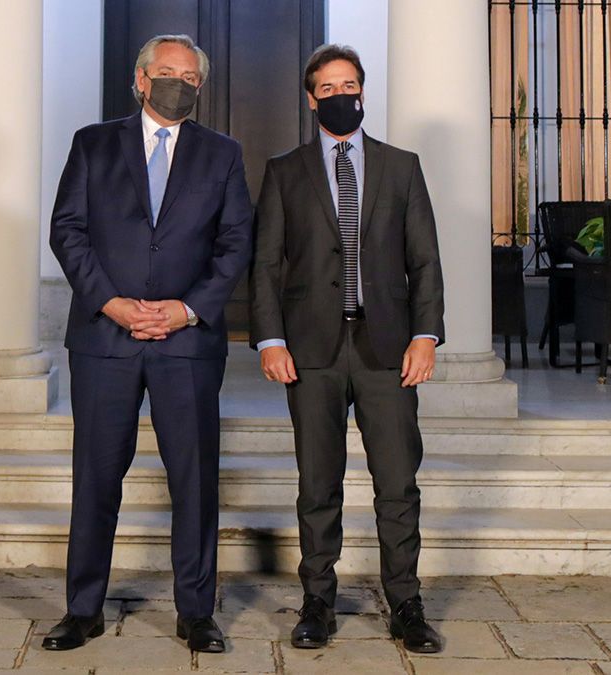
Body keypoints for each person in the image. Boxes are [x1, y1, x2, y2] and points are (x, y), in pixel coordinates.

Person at [45, 34, 252, 653]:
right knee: (97, 478)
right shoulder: (93, 143)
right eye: (166, 73)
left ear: (200, 88)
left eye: (189, 77)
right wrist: (111, 303)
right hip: (105, 338)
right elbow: (68, 229)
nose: (178, 84)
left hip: (185, 342)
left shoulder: (223, 153)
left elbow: (237, 241)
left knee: (193, 480)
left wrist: (187, 310)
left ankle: (196, 614)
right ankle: (83, 609)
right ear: (140, 80)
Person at [249, 43, 445, 654]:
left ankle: (406, 604)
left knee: (397, 482)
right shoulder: (285, 171)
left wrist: (425, 334)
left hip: (388, 350)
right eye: (328, 89)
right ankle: (317, 602)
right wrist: (270, 339)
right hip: (311, 352)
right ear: (312, 99)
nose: (341, 96)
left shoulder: (401, 167)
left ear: (364, 90)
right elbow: (265, 265)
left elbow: (425, 260)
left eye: (349, 85)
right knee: (317, 483)